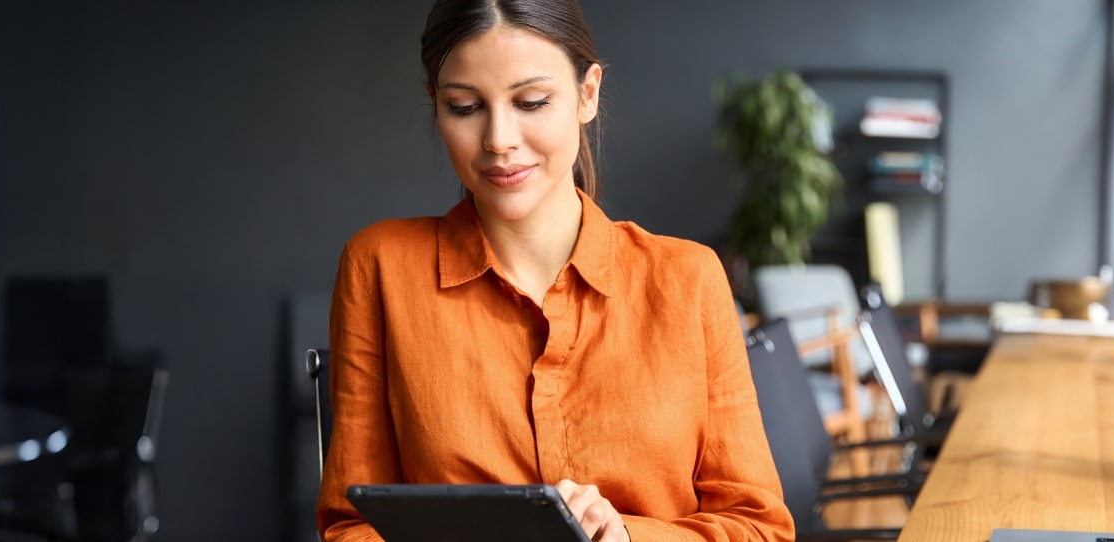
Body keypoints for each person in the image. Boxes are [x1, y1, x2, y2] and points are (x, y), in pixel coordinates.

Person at [315, 1, 796, 540]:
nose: (499, 139)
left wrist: (629, 537)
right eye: (464, 107)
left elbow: (760, 529)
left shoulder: (688, 278)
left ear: (587, 93)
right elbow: (351, 526)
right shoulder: (379, 267)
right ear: (436, 105)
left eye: (532, 101)